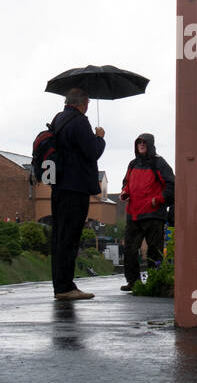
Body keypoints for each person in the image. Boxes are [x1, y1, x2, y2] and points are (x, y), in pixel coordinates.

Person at [49, 89, 106, 300]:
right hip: (76, 188)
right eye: (88, 102)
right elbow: (92, 152)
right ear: (84, 103)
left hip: (59, 187)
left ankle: (61, 285)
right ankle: (65, 287)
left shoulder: (58, 119)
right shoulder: (80, 121)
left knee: (60, 238)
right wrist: (99, 138)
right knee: (70, 238)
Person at [118, 133, 175, 291]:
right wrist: (125, 192)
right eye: (139, 142)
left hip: (153, 215)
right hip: (134, 214)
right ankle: (133, 281)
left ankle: (155, 280)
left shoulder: (159, 162)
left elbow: (172, 184)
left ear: (150, 144)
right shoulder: (132, 164)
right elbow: (126, 182)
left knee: (154, 251)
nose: (141, 145)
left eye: (144, 142)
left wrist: (159, 199)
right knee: (129, 249)